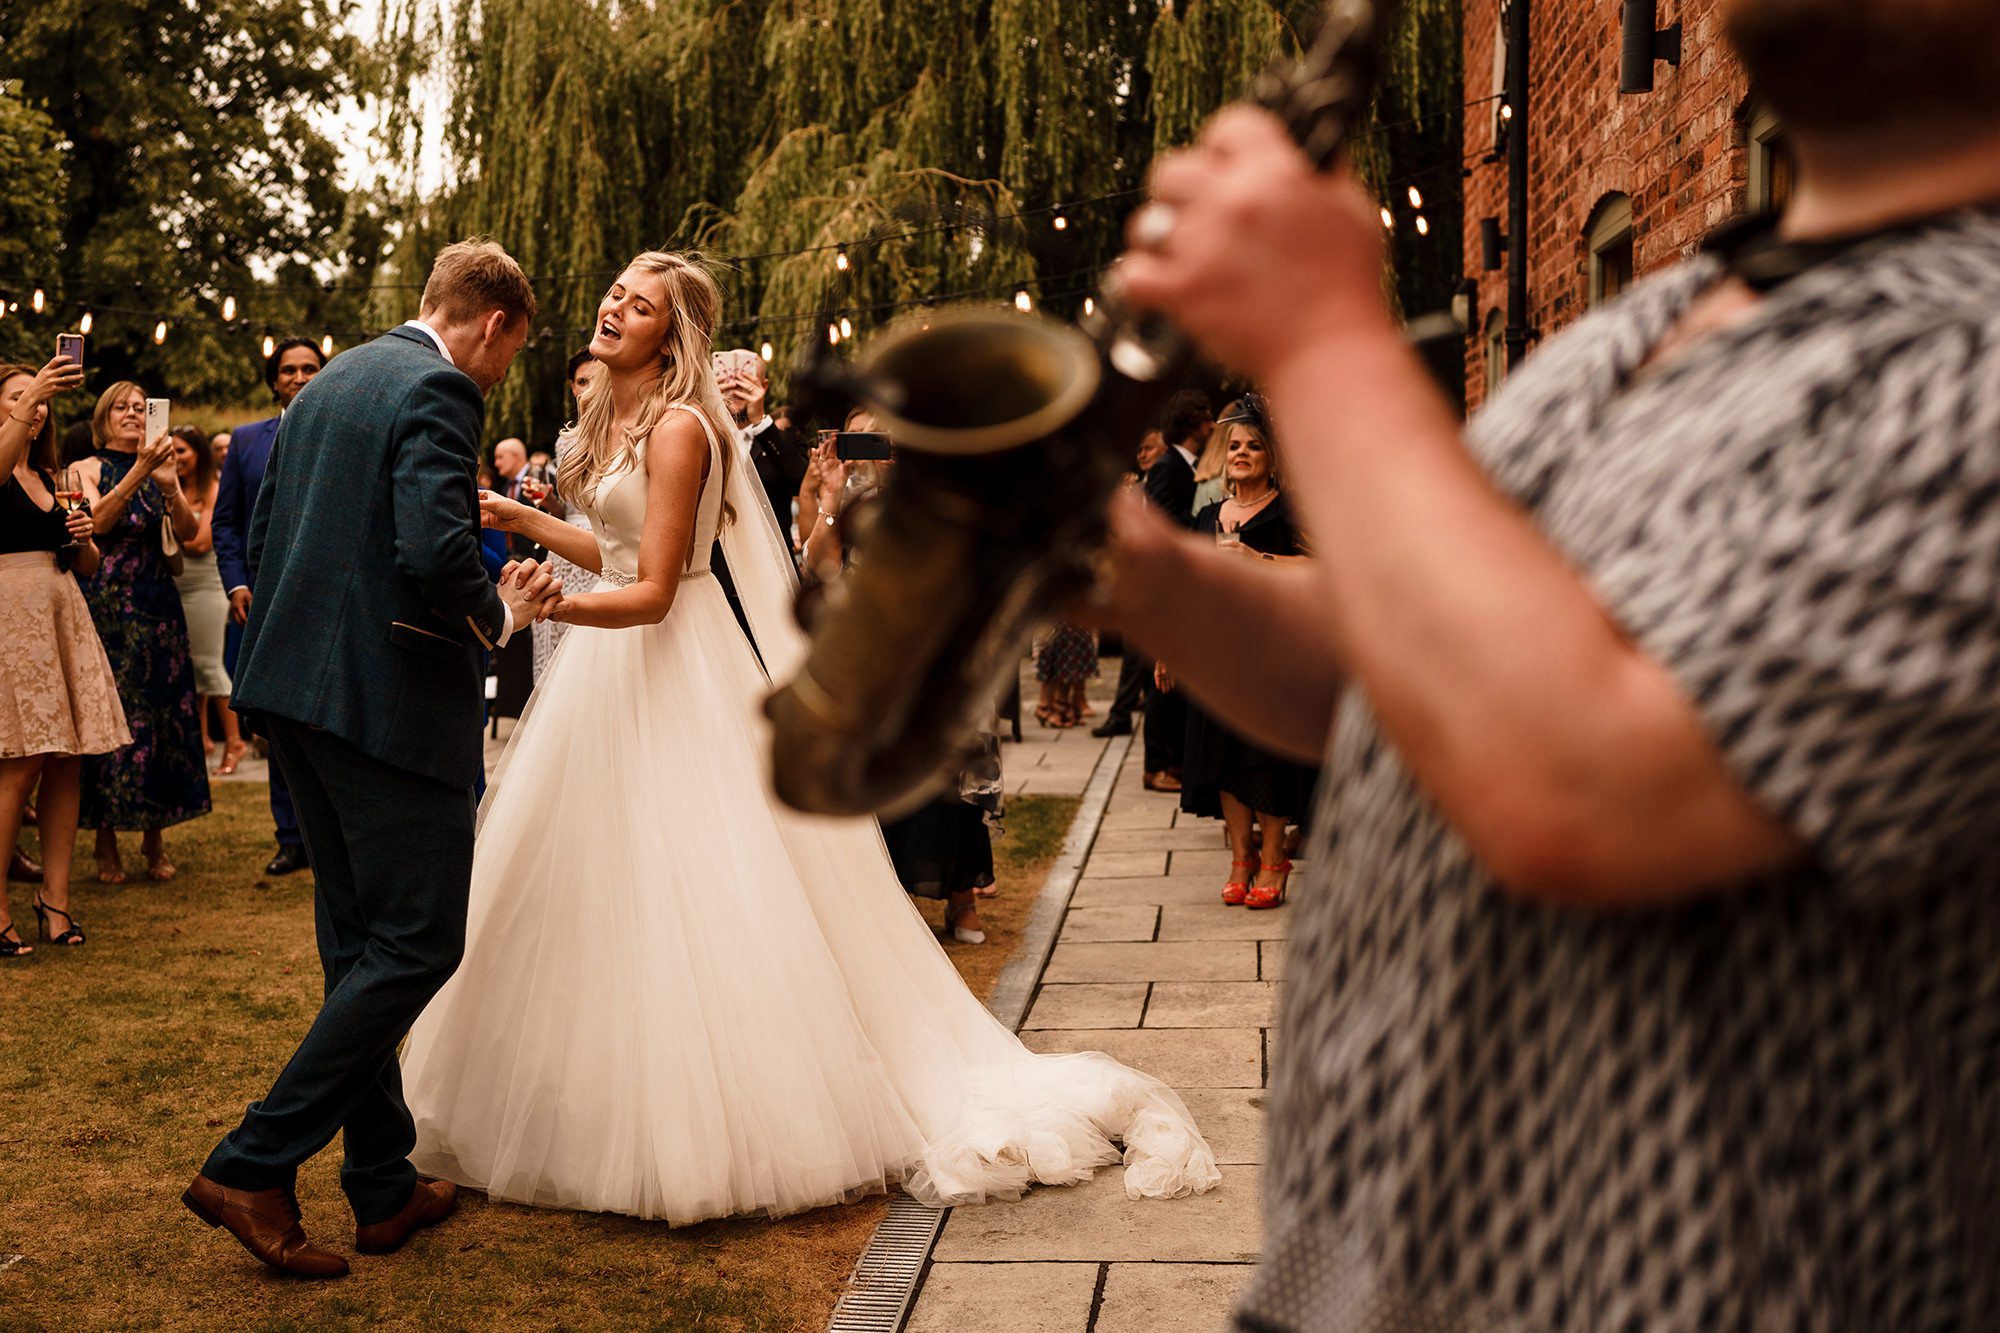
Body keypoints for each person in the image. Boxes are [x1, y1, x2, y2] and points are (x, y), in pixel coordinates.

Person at [1104, 1, 2000, 1327]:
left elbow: (1585, 786)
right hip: (1367, 1275)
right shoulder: (1648, 325)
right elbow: (1413, 674)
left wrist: (1320, 341)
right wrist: (1136, 569)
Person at [407, 249, 1217, 1225]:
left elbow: (661, 588)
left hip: (671, 665)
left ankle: (706, 1121)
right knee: (591, 870)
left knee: (689, 883)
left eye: (639, 303)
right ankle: (579, 1091)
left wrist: (546, 615)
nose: (614, 307)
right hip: (609, 671)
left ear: (674, 333)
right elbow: (617, 549)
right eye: (614, 293)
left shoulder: (678, 431)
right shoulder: (610, 418)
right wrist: (520, 515)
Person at [185, 240, 557, 1279]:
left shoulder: (333, 378)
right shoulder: (439, 389)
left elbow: (261, 528)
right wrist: (501, 614)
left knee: (358, 942)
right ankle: (252, 1163)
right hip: (383, 705)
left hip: (293, 690)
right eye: (508, 352)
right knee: (420, 941)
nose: (499, 373)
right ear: (492, 324)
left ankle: (383, 1183)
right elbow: (434, 550)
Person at [1154, 397, 1316, 911]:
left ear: (1272, 458)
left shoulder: (1289, 510)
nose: (1242, 453)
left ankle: (1274, 859)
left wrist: (1256, 557)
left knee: (1263, 756)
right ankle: (1240, 858)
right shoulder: (1205, 516)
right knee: (1220, 755)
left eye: (1254, 447)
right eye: (1236, 446)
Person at [0, 355, 124, 958]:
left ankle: (55, 898)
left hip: (61, 609)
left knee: (67, 759)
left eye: (41, 398)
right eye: (21, 396)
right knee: (19, 763)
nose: (37, 404)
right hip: (10, 617)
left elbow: (88, 565)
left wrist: (83, 540)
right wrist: (32, 396)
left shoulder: (52, 477)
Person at [73, 383, 209, 884]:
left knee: (161, 719)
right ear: (103, 418)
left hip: (159, 607)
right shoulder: (85, 468)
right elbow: (96, 523)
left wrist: (169, 483)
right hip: (108, 607)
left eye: (139, 407)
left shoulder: (162, 469)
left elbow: (191, 535)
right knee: (111, 721)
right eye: (121, 408)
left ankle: (156, 838)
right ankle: (104, 843)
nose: (131, 414)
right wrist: (139, 472)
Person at [214, 335, 325, 877]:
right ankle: (288, 836)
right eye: (289, 370)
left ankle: (325, 834)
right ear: (274, 380)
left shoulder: (342, 432)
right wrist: (236, 585)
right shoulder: (245, 441)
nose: (300, 377)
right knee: (276, 720)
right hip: (262, 599)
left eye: (310, 368)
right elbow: (226, 524)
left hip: (326, 599)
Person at [1137, 391, 1209, 791]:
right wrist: (1206, 519)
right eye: (1208, 418)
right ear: (1193, 422)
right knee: (1161, 682)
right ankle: (1155, 766)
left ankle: (1176, 761)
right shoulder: (1168, 466)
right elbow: (1165, 522)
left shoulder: (1191, 467)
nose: (1213, 425)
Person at [170, 425, 245, 775]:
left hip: (205, 586)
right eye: (170, 450)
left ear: (198, 453)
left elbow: (201, 542)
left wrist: (162, 542)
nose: (175, 457)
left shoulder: (213, 488)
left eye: (182, 450)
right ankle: (201, 742)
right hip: (173, 585)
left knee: (209, 665)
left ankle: (235, 742)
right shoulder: (169, 489)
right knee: (188, 666)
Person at [1093, 429, 1168, 740]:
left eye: (1149, 448)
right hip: (1135, 582)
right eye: (1139, 449)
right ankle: (1122, 712)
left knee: (1139, 652)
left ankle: (1122, 713)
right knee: (1135, 651)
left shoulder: (1163, 484)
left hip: (1154, 584)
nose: (1142, 454)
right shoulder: (1140, 487)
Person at [531, 348, 598, 682]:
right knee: (558, 631)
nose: (588, 388)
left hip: (603, 545)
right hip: (565, 545)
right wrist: (549, 501)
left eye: (595, 379)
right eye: (582, 381)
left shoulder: (629, 428)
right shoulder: (565, 441)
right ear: (572, 387)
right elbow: (567, 507)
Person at [718, 346, 810, 545]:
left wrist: (760, 422)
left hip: (773, 560)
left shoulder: (784, 441)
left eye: (746, 379)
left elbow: (801, 483)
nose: (734, 386)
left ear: (763, 385)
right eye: (726, 378)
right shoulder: (704, 436)